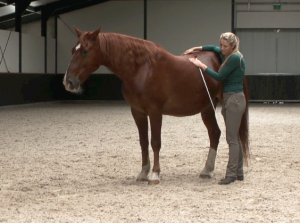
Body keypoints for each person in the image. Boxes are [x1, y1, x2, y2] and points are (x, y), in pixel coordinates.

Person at [184, 32, 246, 185]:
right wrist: (197, 47)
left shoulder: (235, 58)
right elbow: (213, 48)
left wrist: (201, 65)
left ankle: (231, 174)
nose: (222, 49)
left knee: (231, 139)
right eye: (221, 45)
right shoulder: (227, 53)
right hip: (231, 98)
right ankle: (238, 172)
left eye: (225, 46)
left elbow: (219, 76)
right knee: (235, 138)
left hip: (234, 99)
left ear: (233, 46)